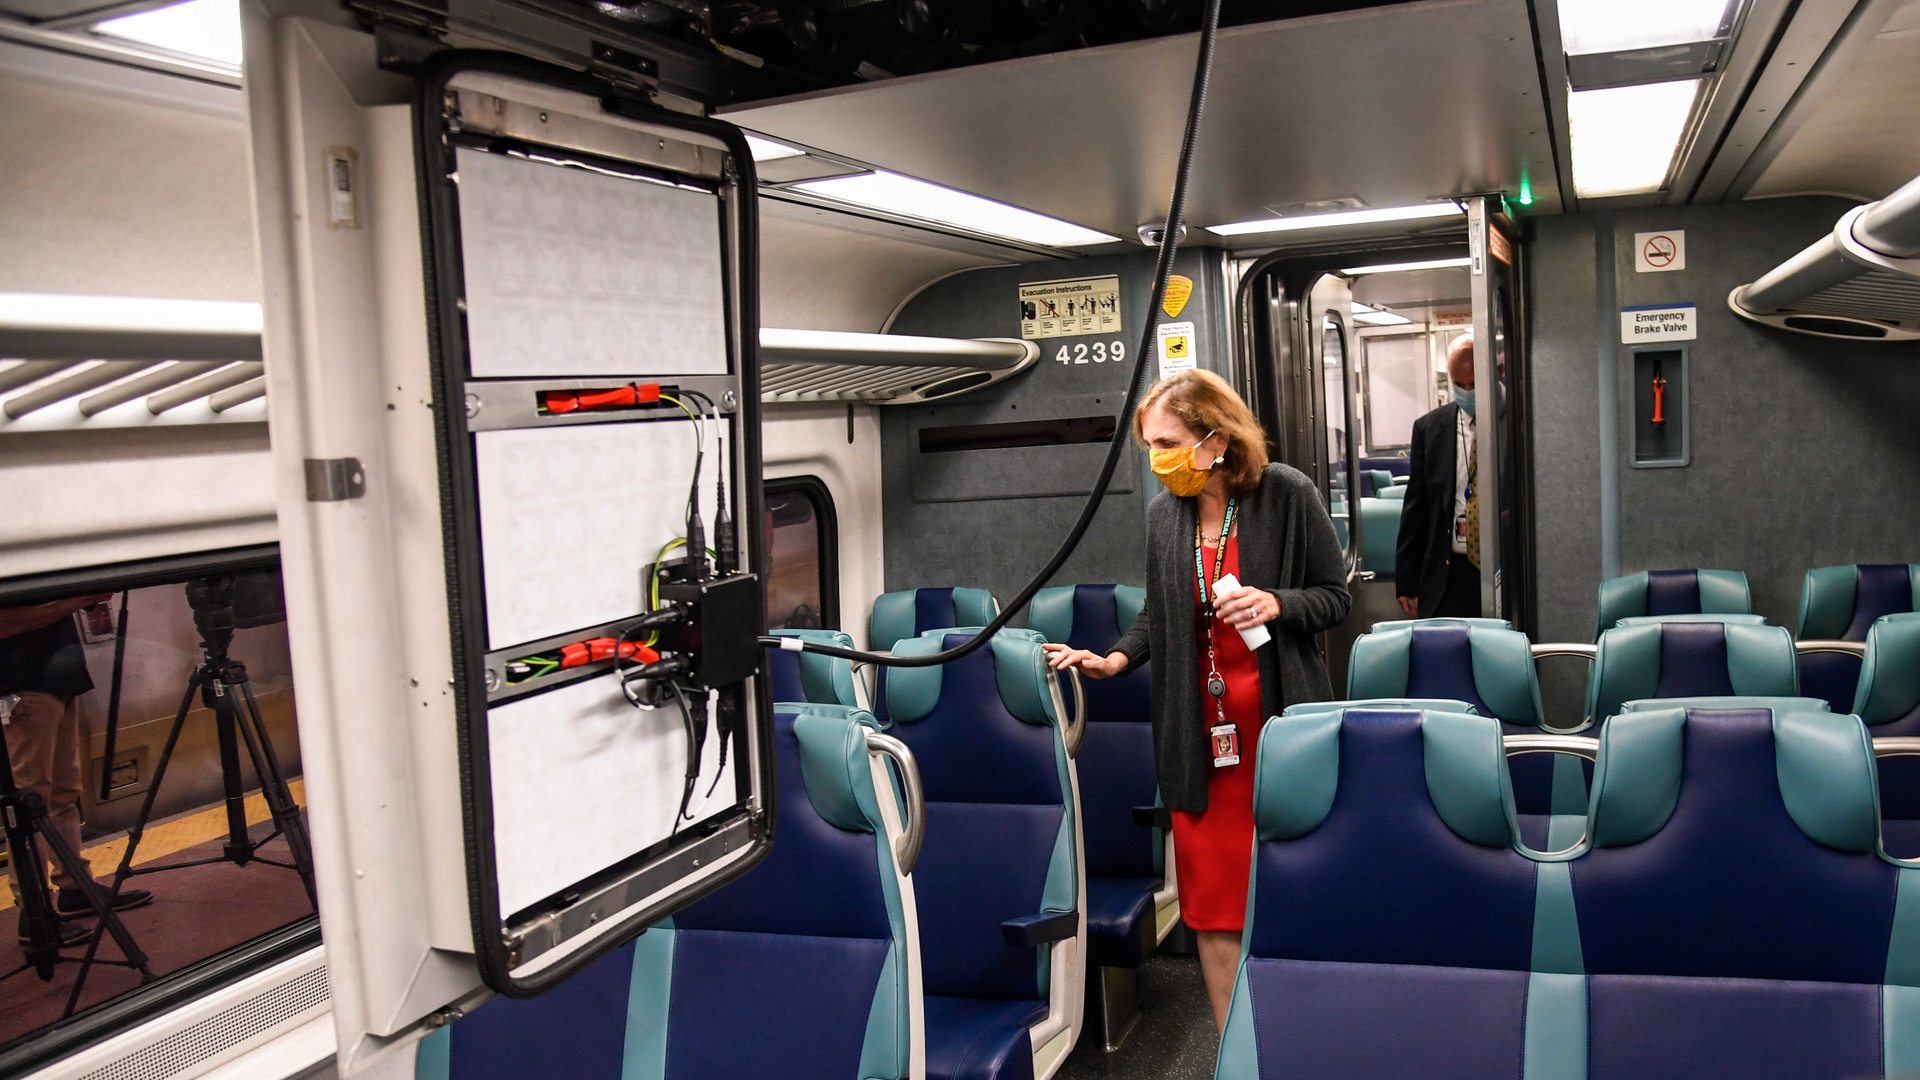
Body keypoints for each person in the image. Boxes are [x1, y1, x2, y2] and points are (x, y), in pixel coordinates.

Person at [1042, 369, 1351, 1031]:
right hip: (1200, 744)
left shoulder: (1285, 495)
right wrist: (1116, 658)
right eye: (1150, 446)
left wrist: (1278, 603)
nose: (1158, 459)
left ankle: (1306, 1043)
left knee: (1294, 901)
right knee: (1213, 912)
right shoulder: (1165, 516)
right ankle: (1234, 1054)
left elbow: (1335, 596)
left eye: (1168, 443)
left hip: (1276, 731)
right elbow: (1158, 614)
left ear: (1217, 438)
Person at [0, 597, 151, 947]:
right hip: (22, 684)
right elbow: (5, 623)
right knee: (28, 804)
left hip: (58, 680)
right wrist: (75, 599)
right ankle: (34, 913)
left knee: (64, 795)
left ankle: (75, 886)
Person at [1395, 332, 1483, 618]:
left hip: (1502, 569)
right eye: (1459, 385)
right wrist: (1407, 579)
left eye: (1474, 384)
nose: (1467, 392)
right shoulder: (1429, 429)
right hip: (1449, 572)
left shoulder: (1519, 418)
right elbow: (1417, 507)